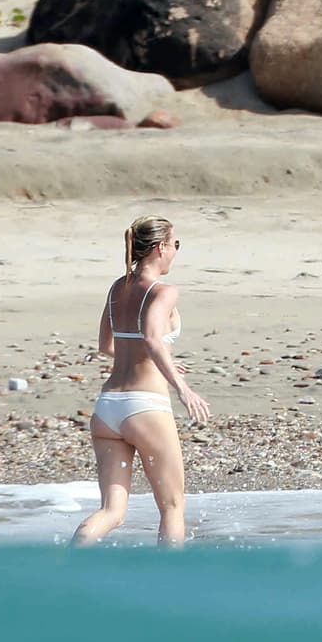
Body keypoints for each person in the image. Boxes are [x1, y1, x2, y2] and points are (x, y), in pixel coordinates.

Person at [72, 215, 210, 547]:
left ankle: (66, 568)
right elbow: (150, 338)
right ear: (160, 247)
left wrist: (168, 363)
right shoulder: (163, 291)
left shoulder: (119, 287)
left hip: (107, 411)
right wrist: (182, 388)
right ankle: (167, 589)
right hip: (145, 407)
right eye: (175, 245)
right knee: (172, 507)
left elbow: (107, 346)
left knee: (111, 512)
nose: (176, 252)